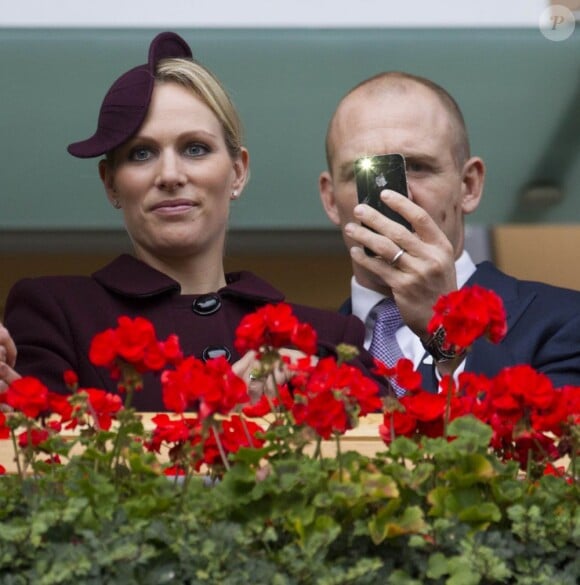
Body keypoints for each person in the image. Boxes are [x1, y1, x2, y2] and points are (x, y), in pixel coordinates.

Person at [1, 32, 381, 411]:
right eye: (141, 153)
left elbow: (395, 445)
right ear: (111, 183)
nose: (169, 174)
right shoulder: (53, 313)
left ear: (238, 172)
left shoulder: (328, 338)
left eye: (195, 149)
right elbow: (33, 456)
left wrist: (317, 381)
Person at [318, 71, 580, 392]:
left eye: (416, 167)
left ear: (468, 186)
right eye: (366, 173)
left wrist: (444, 334)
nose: (396, 196)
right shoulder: (303, 354)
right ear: (331, 199)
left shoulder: (564, 322)